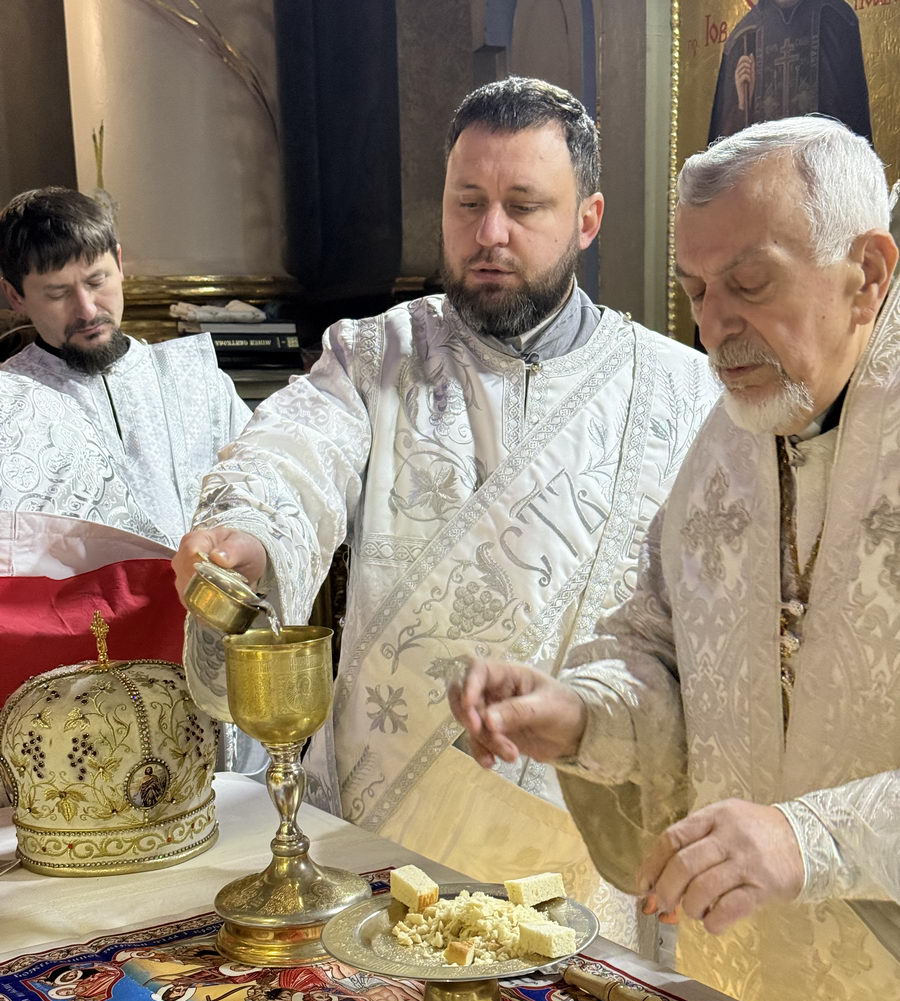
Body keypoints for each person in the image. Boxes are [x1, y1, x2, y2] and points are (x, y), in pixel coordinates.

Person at [173, 77, 719, 951]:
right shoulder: (376, 355)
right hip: (384, 832)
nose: (489, 233)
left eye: (523, 206)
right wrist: (252, 530)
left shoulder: (680, 391)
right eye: (468, 203)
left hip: (583, 841)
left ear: (588, 219)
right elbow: (294, 451)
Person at [449, 116, 900, 1001]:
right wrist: (581, 713)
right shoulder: (730, 441)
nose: (714, 329)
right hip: (743, 989)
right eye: (696, 290)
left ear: (867, 272)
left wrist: (812, 841)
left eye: (749, 283)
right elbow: (658, 646)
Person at [0, 187, 251, 549]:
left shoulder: (198, 379)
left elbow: (259, 492)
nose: (87, 310)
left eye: (96, 281)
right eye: (57, 293)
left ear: (118, 263)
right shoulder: (10, 403)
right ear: (15, 296)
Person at [708, 0, 872, 144]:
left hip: (820, 162)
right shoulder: (743, 37)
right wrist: (742, 105)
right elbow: (723, 149)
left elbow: (851, 114)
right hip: (764, 165)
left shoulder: (834, 18)